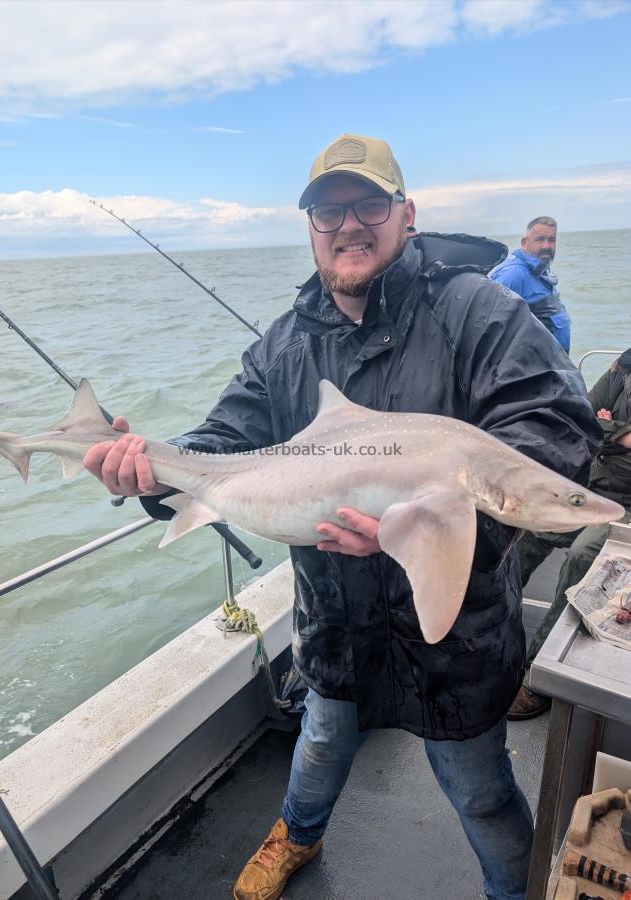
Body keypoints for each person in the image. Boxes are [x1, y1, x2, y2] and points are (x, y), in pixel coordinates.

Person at [83, 134, 601, 900]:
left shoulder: (475, 310)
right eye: (329, 213)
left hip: (454, 632)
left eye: (367, 206)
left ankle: (510, 891)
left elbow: (553, 429)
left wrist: (440, 526)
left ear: (406, 213)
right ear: (311, 228)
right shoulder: (286, 346)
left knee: (481, 788)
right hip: (333, 623)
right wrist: (150, 472)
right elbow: (220, 443)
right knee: (320, 742)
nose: (348, 226)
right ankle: (295, 834)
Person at [509, 349, 631, 720]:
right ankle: (492, 626)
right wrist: (621, 434)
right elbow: (585, 418)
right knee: (528, 530)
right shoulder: (625, 365)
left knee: (583, 554)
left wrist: (610, 428)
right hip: (592, 487)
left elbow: (600, 423)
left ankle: (539, 676)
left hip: (626, 512)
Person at [488, 216, 571, 353]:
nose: (546, 246)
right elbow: (491, 326)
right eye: (540, 240)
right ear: (524, 242)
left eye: (552, 240)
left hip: (553, 365)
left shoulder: (541, 273)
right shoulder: (514, 274)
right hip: (531, 367)